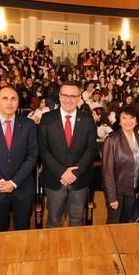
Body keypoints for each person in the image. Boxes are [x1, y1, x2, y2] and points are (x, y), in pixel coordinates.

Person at [0, 86, 38, 231]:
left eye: (13, 99)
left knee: (23, 230)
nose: (9, 103)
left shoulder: (29, 125)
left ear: (18, 103)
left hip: (22, 189)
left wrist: (14, 182)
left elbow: (32, 155)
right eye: (5, 98)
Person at [38, 81, 98, 227]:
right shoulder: (47, 118)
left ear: (79, 98)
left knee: (77, 221)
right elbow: (43, 150)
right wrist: (62, 172)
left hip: (79, 181)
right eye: (65, 95)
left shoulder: (87, 119)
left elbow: (91, 149)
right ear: (59, 96)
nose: (68, 99)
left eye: (73, 96)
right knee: (54, 221)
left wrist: (75, 173)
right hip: (54, 180)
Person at [102, 106, 139, 224]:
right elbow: (107, 172)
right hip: (117, 192)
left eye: (131, 118)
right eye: (124, 118)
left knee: (126, 224)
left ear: (137, 120)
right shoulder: (112, 140)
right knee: (114, 225)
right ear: (119, 121)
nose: (128, 121)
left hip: (132, 191)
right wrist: (112, 197)